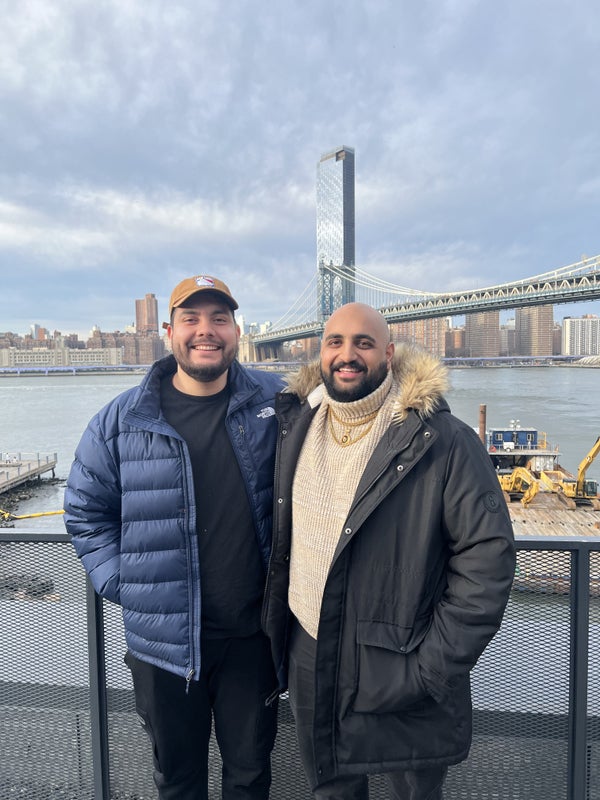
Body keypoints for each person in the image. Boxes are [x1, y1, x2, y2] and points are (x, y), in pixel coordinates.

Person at [262, 302, 516, 800]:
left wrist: (431, 667)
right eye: (335, 342)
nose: (347, 354)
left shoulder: (443, 440)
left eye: (364, 343)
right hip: (309, 649)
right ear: (320, 352)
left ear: (389, 353)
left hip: (401, 657)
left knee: (412, 793)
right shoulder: (297, 425)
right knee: (331, 790)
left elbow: (487, 561)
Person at [64, 275, 284, 800]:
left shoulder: (279, 403)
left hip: (252, 641)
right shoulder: (119, 421)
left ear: (237, 332)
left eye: (219, 319)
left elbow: (349, 417)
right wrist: (127, 584)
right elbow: (85, 511)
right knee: (178, 782)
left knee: (250, 779)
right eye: (191, 319)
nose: (205, 331)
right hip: (162, 647)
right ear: (169, 332)